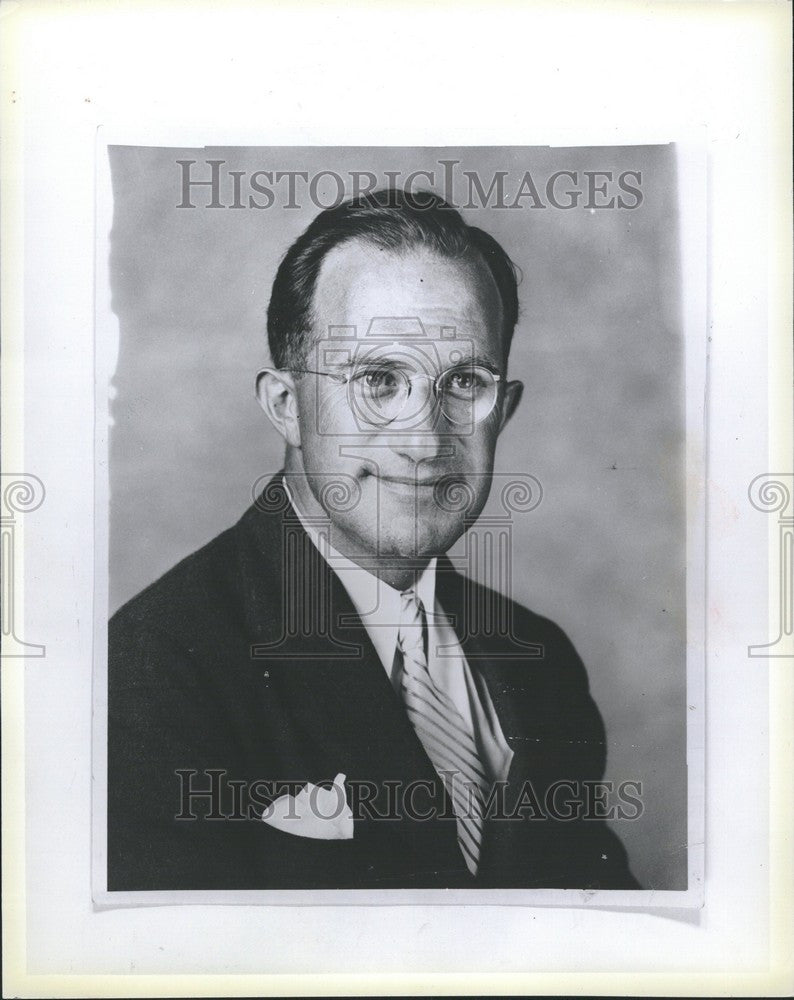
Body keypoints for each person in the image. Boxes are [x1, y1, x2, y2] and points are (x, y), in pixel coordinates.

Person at [108, 188, 638, 890]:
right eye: (379, 381)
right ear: (287, 406)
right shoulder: (156, 669)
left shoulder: (540, 664)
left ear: (503, 412)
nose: (424, 440)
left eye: (464, 383)